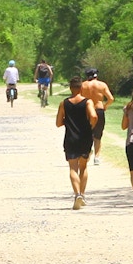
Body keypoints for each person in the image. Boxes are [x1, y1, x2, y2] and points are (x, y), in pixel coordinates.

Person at [55, 77, 96, 208]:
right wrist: (90, 126)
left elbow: (58, 123)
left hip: (70, 139)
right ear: (81, 88)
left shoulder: (64, 103)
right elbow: (94, 116)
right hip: (85, 138)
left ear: (70, 88)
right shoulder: (87, 102)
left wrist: (67, 122)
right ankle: (82, 195)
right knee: (83, 167)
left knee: (73, 168)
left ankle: (77, 194)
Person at [80, 67, 114, 162]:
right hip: (99, 109)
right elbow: (111, 98)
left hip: (87, 110)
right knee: (98, 135)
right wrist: (105, 106)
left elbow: (79, 98)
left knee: (87, 133)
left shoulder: (83, 85)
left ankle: (87, 150)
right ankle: (97, 157)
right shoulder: (102, 85)